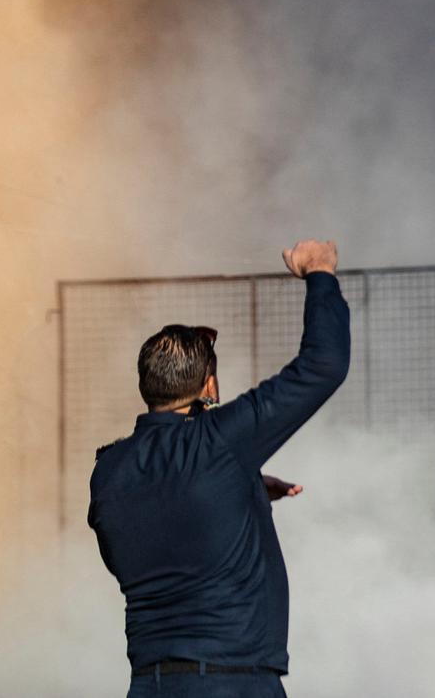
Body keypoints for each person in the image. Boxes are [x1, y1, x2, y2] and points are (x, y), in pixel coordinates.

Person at [89, 240, 350, 697]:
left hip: (150, 685)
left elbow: (156, 533)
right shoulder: (218, 443)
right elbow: (323, 365)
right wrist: (320, 274)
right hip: (232, 683)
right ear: (209, 386)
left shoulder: (109, 469)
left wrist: (238, 490)